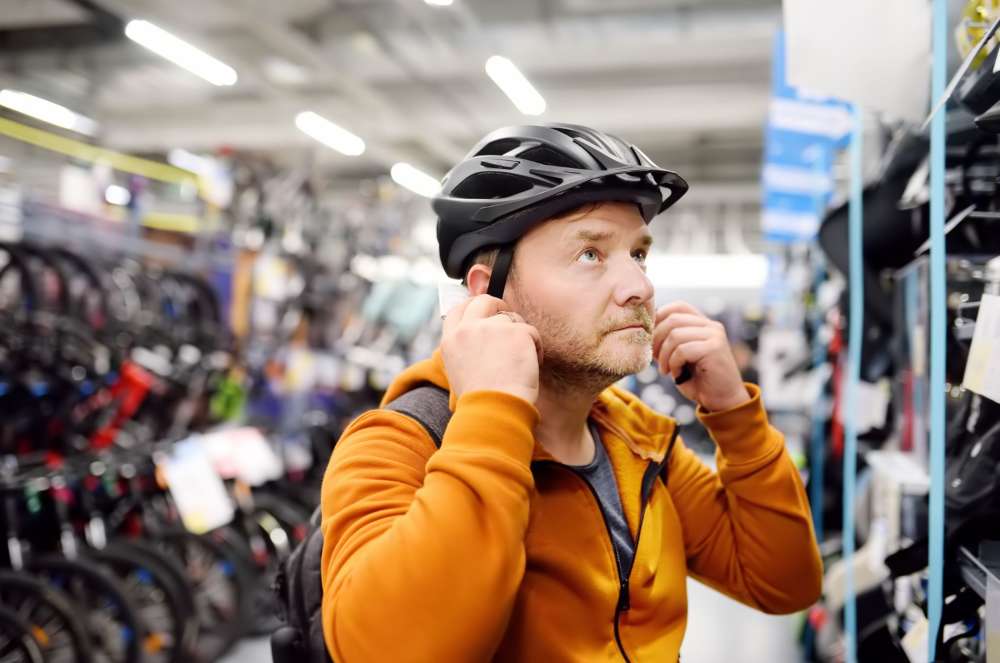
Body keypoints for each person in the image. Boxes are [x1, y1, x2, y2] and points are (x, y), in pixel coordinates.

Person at [319, 124, 822, 662]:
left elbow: (782, 583)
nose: (640, 287)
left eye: (639, 254)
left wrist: (734, 416)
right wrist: (492, 410)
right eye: (590, 254)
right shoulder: (395, 445)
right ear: (488, 289)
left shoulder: (639, 440)